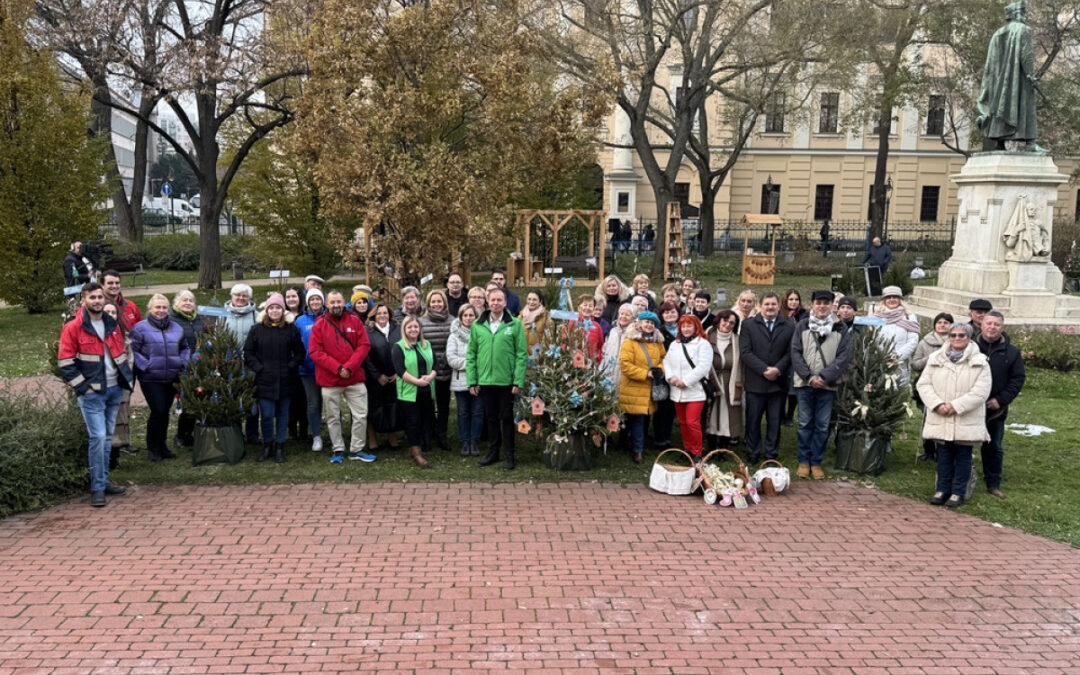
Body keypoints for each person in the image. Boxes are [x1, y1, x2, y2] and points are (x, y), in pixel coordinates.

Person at [58, 283, 134, 507]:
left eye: (100, 297)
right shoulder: (74, 327)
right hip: (92, 393)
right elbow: (65, 363)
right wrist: (85, 388)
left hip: (113, 390)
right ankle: (97, 488)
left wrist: (125, 381)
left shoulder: (112, 324)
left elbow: (119, 354)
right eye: (93, 297)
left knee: (108, 438)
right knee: (98, 438)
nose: (98, 301)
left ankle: (103, 481)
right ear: (84, 300)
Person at [917, 323, 992, 508]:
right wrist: (937, 404)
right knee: (944, 454)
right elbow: (923, 384)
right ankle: (942, 489)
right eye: (953, 335)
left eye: (961, 335)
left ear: (969, 338)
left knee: (963, 455)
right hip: (940, 414)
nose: (957, 339)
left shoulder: (980, 361)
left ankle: (958, 492)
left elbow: (981, 392)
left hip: (965, 416)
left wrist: (955, 406)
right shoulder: (936, 358)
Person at [790, 290, 852, 479]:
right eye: (819, 303)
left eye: (826, 303)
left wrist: (824, 377)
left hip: (828, 384)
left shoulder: (840, 328)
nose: (822, 306)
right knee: (804, 423)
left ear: (832, 305)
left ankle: (816, 461)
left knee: (822, 425)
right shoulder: (802, 325)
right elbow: (795, 352)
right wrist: (809, 377)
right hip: (805, 383)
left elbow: (844, 357)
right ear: (813, 305)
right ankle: (803, 460)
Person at [308, 290, 374, 463]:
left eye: (339, 302)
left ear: (344, 302)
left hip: (354, 377)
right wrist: (337, 368)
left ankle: (356, 449)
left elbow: (364, 345)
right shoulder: (319, 324)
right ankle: (338, 448)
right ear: (327, 304)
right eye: (332, 302)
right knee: (333, 416)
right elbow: (315, 352)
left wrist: (350, 367)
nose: (336, 305)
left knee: (360, 415)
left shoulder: (354, 321)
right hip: (330, 379)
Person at [467, 286, 527, 470]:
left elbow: (521, 354)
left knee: (506, 418)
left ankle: (510, 454)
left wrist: (518, 380)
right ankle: (493, 452)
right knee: (491, 418)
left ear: (505, 302)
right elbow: (471, 354)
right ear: (487, 301)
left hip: (506, 381)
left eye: (499, 300)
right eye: (492, 300)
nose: (495, 303)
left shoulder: (514, 324)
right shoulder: (478, 324)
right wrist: (472, 380)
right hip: (485, 380)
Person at [244, 293, 305, 463]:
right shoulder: (257, 329)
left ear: (283, 310)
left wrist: (291, 366)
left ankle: (280, 445)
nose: (275, 311)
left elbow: (300, 352)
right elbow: (248, 352)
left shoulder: (291, 329)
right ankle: (267, 444)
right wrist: (258, 368)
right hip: (265, 379)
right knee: (267, 414)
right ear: (267, 310)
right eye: (272, 308)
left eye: (278, 307)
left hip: (285, 379)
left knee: (283, 414)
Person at [130, 294, 190, 463]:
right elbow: (133, 350)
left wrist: (182, 361)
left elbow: (184, 347)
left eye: (164, 307)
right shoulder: (140, 328)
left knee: (165, 412)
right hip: (151, 378)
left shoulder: (176, 328)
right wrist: (145, 365)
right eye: (157, 307)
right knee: (158, 410)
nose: (161, 311)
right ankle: (153, 447)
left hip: (172, 376)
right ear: (150, 309)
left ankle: (162, 445)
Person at [739, 292, 794, 464]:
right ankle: (753, 453)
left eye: (773, 304)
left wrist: (778, 369)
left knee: (774, 421)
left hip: (778, 384)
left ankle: (771, 454)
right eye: (766, 304)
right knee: (753, 421)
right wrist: (764, 369)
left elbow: (790, 352)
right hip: (756, 382)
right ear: (760, 306)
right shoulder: (748, 325)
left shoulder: (789, 325)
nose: (770, 307)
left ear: (778, 306)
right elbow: (745, 352)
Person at [976, 311, 1026, 499]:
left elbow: (1017, 379)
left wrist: (1001, 399)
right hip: (970, 405)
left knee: (994, 445)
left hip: (995, 408)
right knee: (962, 445)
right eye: (989, 323)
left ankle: (993, 483)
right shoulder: (970, 347)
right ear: (981, 325)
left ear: (1002, 327)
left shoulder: (1011, 353)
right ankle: (960, 480)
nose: (992, 327)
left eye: (996, 324)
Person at [976, 1, 1038, 150]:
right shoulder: (1023, 30)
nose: (1026, 15)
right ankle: (1030, 142)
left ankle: (999, 142)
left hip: (997, 81)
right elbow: (1026, 56)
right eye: (1024, 13)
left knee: (1000, 106)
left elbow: (990, 62)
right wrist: (1031, 76)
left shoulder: (997, 34)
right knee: (1024, 105)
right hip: (1018, 79)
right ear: (1018, 14)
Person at [98, 270, 142, 458]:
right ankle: (110, 445)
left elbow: (139, 330)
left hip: (127, 360)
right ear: (102, 285)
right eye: (110, 283)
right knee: (108, 406)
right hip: (106, 366)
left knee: (124, 402)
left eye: (117, 283)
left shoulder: (130, 306)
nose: (114, 286)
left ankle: (124, 440)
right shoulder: (95, 305)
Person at [662, 315, 713, 463]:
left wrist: (685, 381)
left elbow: (703, 367)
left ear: (696, 327)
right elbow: (667, 361)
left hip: (695, 390)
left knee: (692, 422)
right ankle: (687, 450)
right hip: (677, 390)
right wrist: (671, 377)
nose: (686, 329)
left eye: (689, 326)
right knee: (683, 422)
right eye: (683, 326)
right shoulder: (675, 344)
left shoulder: (703, 344)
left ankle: (697, 453)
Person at [618, 311, 666, 464]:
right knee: (630, 418)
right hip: (632, 385)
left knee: (640, 419)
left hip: (648, 388)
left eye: (652, 323)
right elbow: (625, 364)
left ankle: (636, 448)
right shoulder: (630, 341)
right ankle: (630, 446)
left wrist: (660, 371)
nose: (649, 325)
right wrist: (646, 373)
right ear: (639, 323)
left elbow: (664, 359)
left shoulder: (658, 343)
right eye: (646, 322)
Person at [391, 316, 436, 467]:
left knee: (425, 418)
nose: (413, 330)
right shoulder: (399, 347)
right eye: (409, 327)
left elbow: (435, 365)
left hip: (427, 390)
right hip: (409, 392)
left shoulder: (427, 344)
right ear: (404, 329)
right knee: (413, 422)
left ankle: (422, 444)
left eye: (416, 327)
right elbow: (400, 371)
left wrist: (429, 377)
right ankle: (415, 451)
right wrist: (418, 382)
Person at [220, 283, 260, 443]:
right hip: (229, 365)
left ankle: (252, 434)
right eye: (237, 295)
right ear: (232, 296)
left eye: (244, 296)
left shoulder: (256, 316)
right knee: (232, 399)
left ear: (249, 298)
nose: (241, 298)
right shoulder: (222, 316)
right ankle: (235, 432)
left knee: (252, 399)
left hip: (250, 365)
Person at [912, 312, 954, 462]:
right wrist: (931, 358)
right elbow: (915, 364)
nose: (942, 325)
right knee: (928, 419)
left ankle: (943, 451)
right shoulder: (925, 343)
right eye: (939, 322)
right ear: (934, 325)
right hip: (929, 386)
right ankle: (928, 450)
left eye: (946, 322)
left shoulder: (956, 342)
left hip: (949, 386)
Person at [169, 290, 209, 449]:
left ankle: (191, 433)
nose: (187, 303)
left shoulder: (199, 320)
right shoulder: (172, 320)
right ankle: (181, 435)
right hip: (181, 367)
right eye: (184, 300)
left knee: (197, 399)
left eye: (191, 300)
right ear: (177, 303)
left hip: (199, 367)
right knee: (186, 402)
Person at [363, 303, 402, 452]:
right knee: (373, 407)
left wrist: (399, 372)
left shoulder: (397, 329)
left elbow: (403, 350)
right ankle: (372, 438)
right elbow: (365, 356)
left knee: (392, 406)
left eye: (385, 313)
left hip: (394, 376)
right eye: (379, 313)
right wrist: (377, 375)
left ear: (389, 315)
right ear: (373, 315)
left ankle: (392, 436)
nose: (382, 316)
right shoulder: (368, 331)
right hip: (374, 378)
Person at [446, 304, 484, 457]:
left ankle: (474, 441)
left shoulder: (482, 334)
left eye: (471, 315)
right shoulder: (454, 336)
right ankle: (465, 441)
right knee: (463, 412)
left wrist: (476, 365)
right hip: (461, 380)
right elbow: (451, 359)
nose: (468, 318)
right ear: (460, 318)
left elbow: (485, 357)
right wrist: (471, 363)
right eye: (465, 315)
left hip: (480, 380)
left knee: (477, 412)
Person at [419, 289, 454, 450]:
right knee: (427, 406)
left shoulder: (453, 321)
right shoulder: (421, 322)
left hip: (447, 370)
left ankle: (442, 435)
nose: (436, 304)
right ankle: (428, 435)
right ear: (428, 304)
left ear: (444, 303)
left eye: (439, 301)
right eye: (433, 301)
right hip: (428, 371)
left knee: (444, 405)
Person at [705, 309, 743, 448]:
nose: (727, 324)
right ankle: (711, 445)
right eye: (725, 320)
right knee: (712, 412)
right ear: (719, 320)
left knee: (728, 413)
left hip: (730, 380)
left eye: (732, 323)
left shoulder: (738, 341)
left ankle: (723, 447)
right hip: (711, 379)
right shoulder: (707, 337)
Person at [295, 288, 327, 451]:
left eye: (318, 299)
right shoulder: (300, 321)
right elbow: (295, 344)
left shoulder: (329, 317)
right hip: (308, 369)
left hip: (328, 369)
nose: (315, 302)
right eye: (312, 299)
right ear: (307, 302)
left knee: (331, 403)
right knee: (313, 403)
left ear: (323, 301)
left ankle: (336, 434)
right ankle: (316, 436)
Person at [875, 285, 920, 388]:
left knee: (899, 394)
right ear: (884, 300)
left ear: (900, 299)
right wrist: (880, 357)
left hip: (900, 364)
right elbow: (872, 338)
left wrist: (895, 357)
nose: (892, 299)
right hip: (880, 362)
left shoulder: (909, 316)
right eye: (888, 297)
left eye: (895, 297)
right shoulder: (877, 316)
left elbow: (913, 341)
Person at [652, 301, 680, 449]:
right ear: (662, 316)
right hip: (663, 373)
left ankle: (668, 436)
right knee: (661, 406)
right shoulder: (658, 332)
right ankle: (659, 439)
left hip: (679, 374)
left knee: (671, 407)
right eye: (666, 312)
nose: (670, 315)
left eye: (673, 312)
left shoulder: (683, 329)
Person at [781, 289, 808, 427]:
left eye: (796, 299)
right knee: (781, 386)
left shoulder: (804, 315)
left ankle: (790, 415)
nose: (793, 302)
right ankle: (780, 413)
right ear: (786, 300)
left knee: (794, 386)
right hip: (782, 353)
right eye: (791, 299)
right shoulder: (781, 314)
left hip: (797, 353)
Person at [601, 303, 635, 381]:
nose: (623, 316)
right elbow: (604, 352)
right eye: (621, 314)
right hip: (607, 374)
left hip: (623, 377)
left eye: (627, 315)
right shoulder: (612, 331)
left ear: (633, 318)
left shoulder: (634, 334)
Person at [566, 294, 604, 362]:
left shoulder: (597, 326)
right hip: (574, 362)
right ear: (579, 308)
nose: (587, 308)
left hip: (591, 364)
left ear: (593, 309)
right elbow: (566, 341)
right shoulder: (572, 323)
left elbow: (600, 346)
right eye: (585, 305)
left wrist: (597, 357)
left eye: (590, 306)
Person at [519, 289, 550, 357]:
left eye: (534, 300)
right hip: (522, 357)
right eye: (529, 299)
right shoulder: (520, 318)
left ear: (540, 302)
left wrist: (540, 356)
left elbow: (548, 340)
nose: (531, 302)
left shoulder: (546, 319)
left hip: (538, 358)